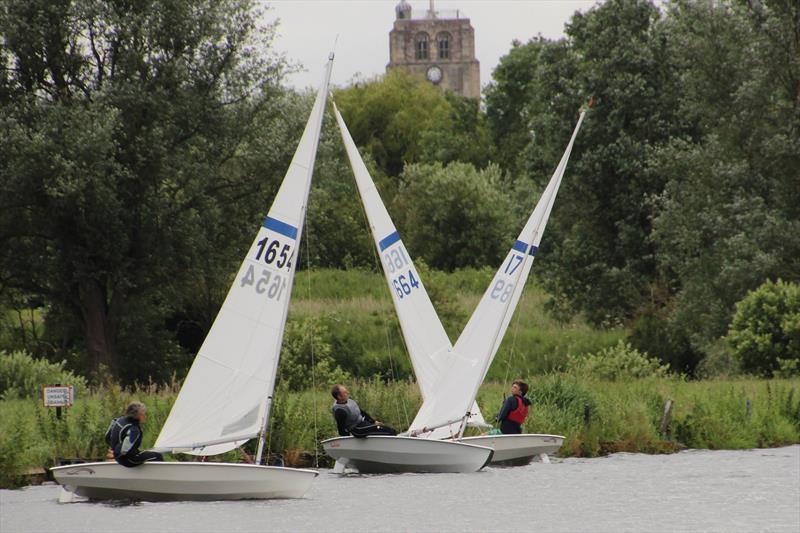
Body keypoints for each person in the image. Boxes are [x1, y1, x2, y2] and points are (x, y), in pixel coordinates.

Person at [105, 402, 164, 467]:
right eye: (144, 414)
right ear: (140, 415)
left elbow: (107, 437)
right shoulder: (134, 430)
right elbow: (123, 450)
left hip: (119, 457)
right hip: (128, 460)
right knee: (158, 456)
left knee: (146, 452)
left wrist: (114, 450)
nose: (145, 416)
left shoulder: (118, 420)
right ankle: (161, 476)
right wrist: (116, 453)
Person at [331, 384, 397, 438]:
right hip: (357, 430)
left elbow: (361, 412)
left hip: (363, 424)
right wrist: (348, 441)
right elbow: (341, 430)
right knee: (387, 432)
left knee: (388, 429)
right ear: (339, 396)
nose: (348, 392)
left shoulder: (348, 400)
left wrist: (374, 421)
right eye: (345, 392)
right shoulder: (340, 411)